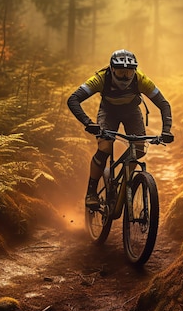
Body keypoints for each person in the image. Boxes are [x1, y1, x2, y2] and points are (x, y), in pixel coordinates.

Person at [67, 49, 174, 208]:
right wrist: (88, 123)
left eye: (129, 73)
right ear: (111, 69)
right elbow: (73, 99)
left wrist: (166, 130)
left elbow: (163, 104)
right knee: (104, 148)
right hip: (108, 112)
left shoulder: (140, 79)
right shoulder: (101, 78)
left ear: (135, 71)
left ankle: (125, 182)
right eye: (120, 72)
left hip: (132, 112)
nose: (125, 77)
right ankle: (91, 192)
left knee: (139, 150)